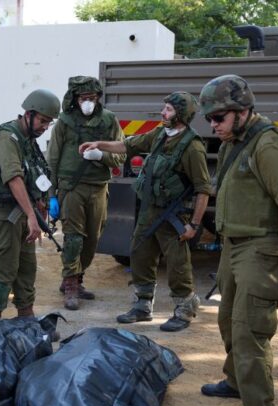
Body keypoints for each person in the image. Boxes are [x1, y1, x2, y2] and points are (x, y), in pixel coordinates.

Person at [198, 75, 278, 406]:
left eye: (219, 117)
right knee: (229, 320)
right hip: (234, 246)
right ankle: (235, 381)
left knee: (250, 330)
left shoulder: (268, 145)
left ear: (243, 111)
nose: (213, 125)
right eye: (210, 119)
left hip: (261, 249)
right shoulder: (236, 140)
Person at [79, 92, 210, 331]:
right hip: (149, 210)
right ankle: (142, 305)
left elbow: (203, 189)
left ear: (181, 114)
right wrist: (99, 144)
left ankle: (184, 309)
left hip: (173, 215)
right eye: (165, 108)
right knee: (139, 254)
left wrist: (194, 224)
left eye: (169, 110)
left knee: (177, 262)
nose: (163, 113)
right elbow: (128, 145)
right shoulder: (159, 134)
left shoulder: (192, 147)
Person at [47, 76, 125, 311]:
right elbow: (52, 158)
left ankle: (76, 278)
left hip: (99, 186)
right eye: (83, 98)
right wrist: (51, 193)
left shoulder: (109, 120)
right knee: (73, 237)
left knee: (92, 239)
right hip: (72, 187)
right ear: (75, 99)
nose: (88, 102)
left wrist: (102, 156)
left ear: (98, 98)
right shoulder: (65, 122)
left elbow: (121, 154)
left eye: (92, 98)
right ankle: (70, 283)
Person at [0, 89, 60, 321]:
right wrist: (32, 216)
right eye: (43, 121)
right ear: (29, 114)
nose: (45, 127)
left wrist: (40, 206)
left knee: (27, 268)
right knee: (4, 271)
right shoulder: (9, 136)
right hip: (4, 215)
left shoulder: (28, 139)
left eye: (49, 123)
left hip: (24, 213)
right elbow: (13, 178)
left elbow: (33, 176)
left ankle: (26, 319)